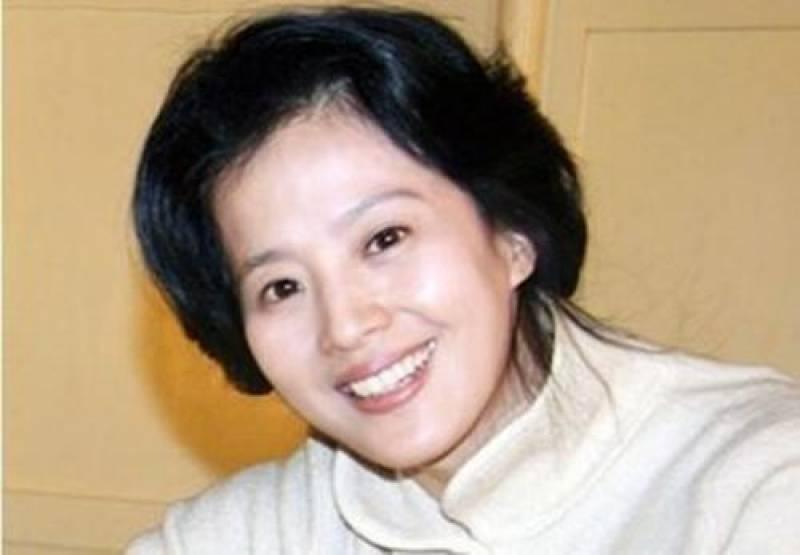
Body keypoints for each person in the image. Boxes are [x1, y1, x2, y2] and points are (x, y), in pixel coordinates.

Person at [127, 6, 800, 554]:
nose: (346, 325)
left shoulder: (760, 485)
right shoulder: (254, 534)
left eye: (385, 239)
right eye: (281, 287)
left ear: (512, 233)